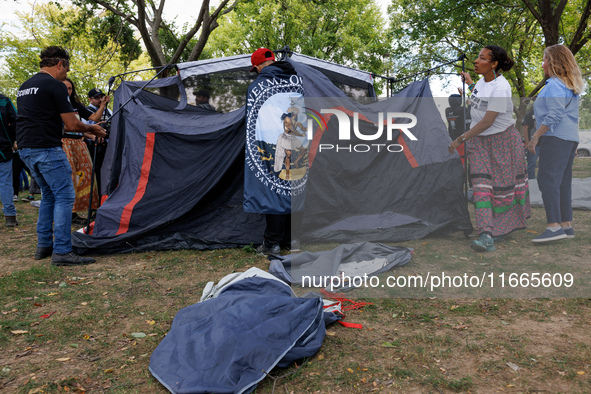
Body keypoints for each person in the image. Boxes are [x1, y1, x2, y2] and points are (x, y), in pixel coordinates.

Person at [16, 46, 106, 266]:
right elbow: (72, 124)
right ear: (60, 64)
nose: (66, 74)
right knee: (65, 197)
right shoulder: (54, 86)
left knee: (48, 196)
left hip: (26, 149)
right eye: (66, 69)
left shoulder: (25, 86)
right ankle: (63, 251)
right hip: (47, 149)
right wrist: (93, 129)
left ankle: (44, 246)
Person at [449, 45, 529, 252]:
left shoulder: (501, 87)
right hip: (480, 143)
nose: (476, 61)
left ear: (494, 64)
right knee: (481, 186)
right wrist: (468, 83)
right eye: (477, 57)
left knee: (501, 188)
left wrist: (460, 139)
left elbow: (487, 121)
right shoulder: (481, 83)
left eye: (482, 58)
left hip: (501, 141)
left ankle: (499, 229)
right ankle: (486, 233)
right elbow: (476, 102)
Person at [247, 47, 302, 254]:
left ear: (260, 66)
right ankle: (292, 240)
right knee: (293, 189)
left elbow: (253, 122)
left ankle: (272, 244)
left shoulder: (257, 86)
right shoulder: (297, 82)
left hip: (270, 143)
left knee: (273, 190)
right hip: (298, 142)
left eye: (256, 68)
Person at [527, 44, 585, 243]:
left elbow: (555, 114)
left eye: (544, 60)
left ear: (552, 62)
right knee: (562, 183)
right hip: (569, 139)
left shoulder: (553, 85)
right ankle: (566, 225)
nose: (542, 64)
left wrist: (535, 137)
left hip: (555, 138)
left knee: (546, 180)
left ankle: (553, 227)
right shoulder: (570, 86)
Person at [63, 78, 102, 225]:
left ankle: (83, 210)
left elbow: (93, 118)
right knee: (70, 177)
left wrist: (103, 105)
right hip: (64, 143)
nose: (68, 91)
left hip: (79, 143)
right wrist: (90, 130)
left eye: (70, 88)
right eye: (65, 88)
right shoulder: (54, 104)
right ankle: (70, 213)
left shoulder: (75, 105)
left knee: (85, 176)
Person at [85, 87, 111, 195]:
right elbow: (83, 129)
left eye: (101, 97)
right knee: (95, 173)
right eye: (97, 98)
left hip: (107, 146)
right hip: (93, 146)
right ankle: (95, 199)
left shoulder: (108, 110)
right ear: (90, 99)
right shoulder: (87, 111)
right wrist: (93, 136)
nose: (100, 99)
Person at [0, 92, 18, 227]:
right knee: (5, 182)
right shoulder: (4, 100)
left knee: (5, 182)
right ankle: (10, 216)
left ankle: (10, 215)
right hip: (4, 148)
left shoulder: (4, 101)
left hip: (4, 148)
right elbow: (17, 121)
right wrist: (14, 140)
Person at [521, 108, 538, 180]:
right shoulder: (530, 114)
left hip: (544, 143)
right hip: (532, 144)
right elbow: (525, 128)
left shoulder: (546, 112)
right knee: (532, 164)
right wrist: (527, 143)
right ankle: (531, 181)